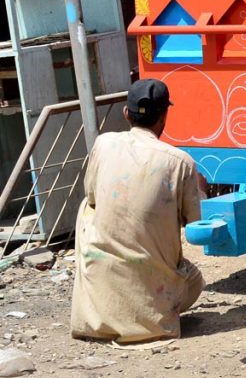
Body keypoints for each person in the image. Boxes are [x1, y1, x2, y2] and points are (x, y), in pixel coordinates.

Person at [71, 79, 206, 344]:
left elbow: (92, 196)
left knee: (87, 207)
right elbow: (196, 226)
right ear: (165, 115)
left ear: (125, 113)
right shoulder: (180, 162)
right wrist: (200, 191)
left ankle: (101, 310)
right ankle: (148, 317)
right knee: (195, 280)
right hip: (153, 288)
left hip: (99, 290)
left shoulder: (103, 144)